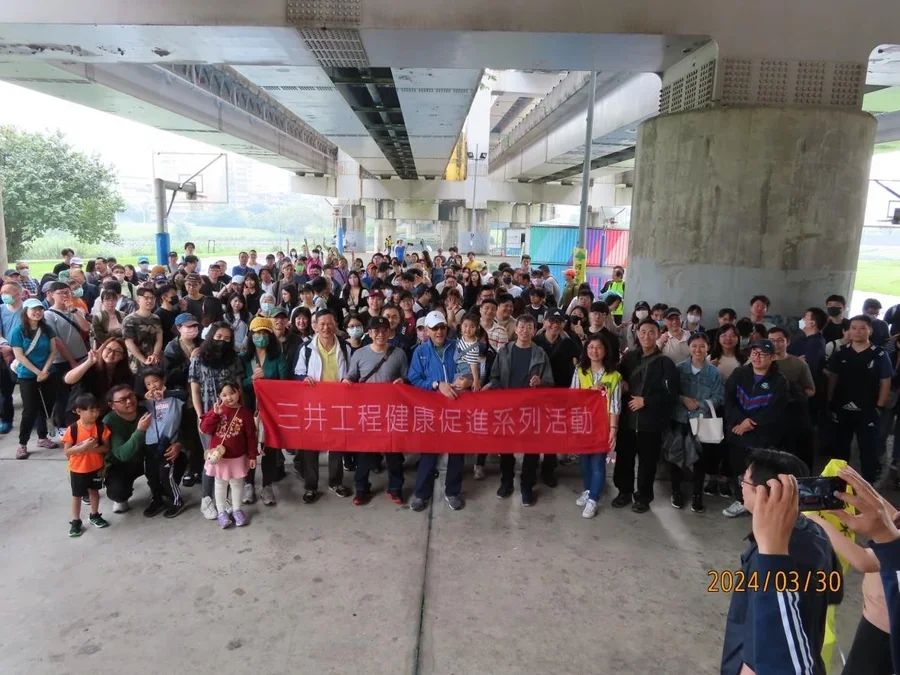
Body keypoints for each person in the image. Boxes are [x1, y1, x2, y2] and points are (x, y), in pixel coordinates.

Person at [720, 448, 842, 675]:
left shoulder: (769, 558)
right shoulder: (816, 533)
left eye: (744, 482)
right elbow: (834, 593)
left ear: (766, 492)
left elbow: (765, 642)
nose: (741, 488)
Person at [612, 318, 678, 513]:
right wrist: (620, 384)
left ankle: (643, 497)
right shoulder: (629, 358)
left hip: (651, 423)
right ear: (637, 335)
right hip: (627, 420)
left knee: (647, 463)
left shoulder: (666, 363)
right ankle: (624, 492)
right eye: (643, 332)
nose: (646, 336)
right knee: (624, 458)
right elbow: (617, 380)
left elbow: (671, 393)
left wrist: (646, 401)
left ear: (658, 335)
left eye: (651, 332)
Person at [488, 314, 554, 506]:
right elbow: (495, 377)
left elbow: (550, 383)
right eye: (521, 327)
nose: (525, 331)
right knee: (506, 449)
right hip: (507, 409)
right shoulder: (505, 352)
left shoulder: (540, 354)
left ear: (535, 331)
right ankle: (506, 482)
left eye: (529, 327)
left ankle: (527, 486)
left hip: (531, 410)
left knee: (531, 450)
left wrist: (541, 383)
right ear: (515, 330)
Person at [407, 311, 469, 511]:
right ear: (427, 331)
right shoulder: (420, 352)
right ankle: (422, 493)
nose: (439, 332)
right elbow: (414, 379)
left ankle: (452, 491)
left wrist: (466, 380)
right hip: (431, 411)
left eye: (442, 327)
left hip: (456, 408)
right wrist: (436, 384)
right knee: (429, 452)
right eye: (434, 328)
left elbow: (469, 371)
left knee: (457, 452)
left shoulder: (458, 347)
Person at [344, 316, 409, 505]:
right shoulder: (360, 354)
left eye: (384, 330)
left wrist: (403, 382)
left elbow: (407, 377)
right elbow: (351, 376)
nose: (380, 334)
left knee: (394, 454)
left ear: (390, 332)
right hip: (368, 414)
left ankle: (396, 488)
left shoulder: (399, 354)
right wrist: (346, 382)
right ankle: (362, 488)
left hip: (392, 413)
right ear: (369, 333)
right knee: (364, 454)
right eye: (376, 330)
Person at [722, 339, 789, 518]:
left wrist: (749, 423)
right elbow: (728, 400)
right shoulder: (740, 373)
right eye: (754, 353)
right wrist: (740, 421)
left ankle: (761, 503)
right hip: (737, 431)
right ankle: (741, 500)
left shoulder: (779, 381)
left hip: (762, 436)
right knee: (738, 468)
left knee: (760, 470)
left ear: (773, 357)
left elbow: (775, 410)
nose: (757, 357)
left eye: (763, 354)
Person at [293, 310, 353, 503]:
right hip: (314, 405)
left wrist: (348, 379)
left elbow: (352, 372)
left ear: (336, 325)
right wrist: (305, 378)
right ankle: (311, 486)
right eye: (322, 324)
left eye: (330, 323)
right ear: (315, 326)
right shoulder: (306, 349)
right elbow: (297, 373)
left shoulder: (345, 347)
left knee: (336, 444)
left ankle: (335, 481)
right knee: (310, 446)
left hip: (337, 405)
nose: (326, 327)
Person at [825, 314, 893, 483]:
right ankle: (838, 481)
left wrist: (880, 406)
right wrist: (829, 401)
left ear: (870, 330)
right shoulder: (841, 353)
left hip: (868, 409)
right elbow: (833, 378)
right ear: (848, 331)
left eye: (863, 328)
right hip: (842, 407)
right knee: (840, 446)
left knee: (868, 447)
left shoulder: (879, 355)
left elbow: (885, 381)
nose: (858, 332)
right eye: (853, 328)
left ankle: (869, 482)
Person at [189, 322, 245, 520]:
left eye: (227, 338)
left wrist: (241, 411)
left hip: (230, 416)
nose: (222, 341)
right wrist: (200, 414)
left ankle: (225, 499)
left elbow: (239, 386)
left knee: (228, 457)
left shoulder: (233, 359)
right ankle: (207, 499)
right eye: (219, 336)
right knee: (211, 458)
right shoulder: (198, 358)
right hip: (208, 416)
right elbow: (194, 388)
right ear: (211, 336)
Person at [666, 333, 724, 513]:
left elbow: (719, 397)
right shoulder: (679, 369)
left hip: (701, 422)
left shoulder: (714, 373)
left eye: (702, 346)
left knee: (700, 460)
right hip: (679, 419)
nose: (698, 350)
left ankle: (697, 494)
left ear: (708, 348)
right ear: (689, 347)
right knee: (675, 457)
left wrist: (699, 404)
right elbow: (670, 393)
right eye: (694, 346)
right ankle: (676, 491)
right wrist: (683, 399)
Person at [570, 333, 621, 518]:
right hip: (583, 424)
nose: (595, 351)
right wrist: (589, 392)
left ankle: (593, 499)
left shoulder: (614, 376)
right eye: (591, 347)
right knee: (584, 462)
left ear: (605, 351)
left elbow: (615, 405)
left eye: (599, 347)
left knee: (598, 463)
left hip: (602, 426)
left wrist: (613, 430)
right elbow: (572, 397)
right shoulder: (580, 371)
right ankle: (588, 489)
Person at [242, 317, 288, 507]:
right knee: (249, 447)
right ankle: (248, 484)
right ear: (251, 336)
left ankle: (267, 485)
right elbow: (238, 386)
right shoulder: (243, 358)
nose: (260, 337)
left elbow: (285, 384)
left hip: (270, 411)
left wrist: (267, 385)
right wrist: (251, 380)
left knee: (269, 448)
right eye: (257, 333)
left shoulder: (278, 357)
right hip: (249, 409)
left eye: (264, 333)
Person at [200, 381, 257, 529]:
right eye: (224, 394)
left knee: (237, 484)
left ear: (239, 392)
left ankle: (237, 509)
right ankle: (221, 513)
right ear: (219, 396)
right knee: (220, 484)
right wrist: (214, 414)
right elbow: (204, 428)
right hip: (220, 458)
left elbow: (251, 437)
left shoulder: (246, 414)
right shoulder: (217, 410)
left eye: (232, 393)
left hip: (237, 457)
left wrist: (252, 456)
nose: (229, 397)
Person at [10, 298, 60, 459]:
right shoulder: (17, 331)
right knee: (29, 410)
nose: (37, 312)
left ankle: (42, 437)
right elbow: (19, 356)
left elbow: (53, 351)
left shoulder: (47, 329)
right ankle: (22, 444)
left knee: (46, 407)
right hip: (27, 375)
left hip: (47, 373)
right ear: (26, 311)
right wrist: (38, 372)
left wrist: (44, 371)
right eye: (33, 309)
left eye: (40, 309)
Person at [43, 281, 91, 433]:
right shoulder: (48, 315)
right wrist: (72, 361)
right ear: (51, 295)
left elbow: (86, 327)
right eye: (61, 293)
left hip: (82, 356)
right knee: (63, 394)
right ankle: (62, 425)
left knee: (81, 392)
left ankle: (79, 422)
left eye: (67, 292)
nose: (65, 295)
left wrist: (75, 311)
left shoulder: (76, 310)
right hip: (62, 361)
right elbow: (57, 341)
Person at [63, 393, 112, 537]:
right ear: (79, 411)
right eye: (91, 410)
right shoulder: (73, 429)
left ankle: (95, 514)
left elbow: (106, 448)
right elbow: (67, 451)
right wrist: (83, 448)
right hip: (77, 469)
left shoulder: (101, 427)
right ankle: (76, 520)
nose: (95, 414)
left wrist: (93, 449)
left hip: (96, 467)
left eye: (97, 410)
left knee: (94, 492)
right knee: (77, 496)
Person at [163, 313, 204, 486]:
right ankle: (190, 468)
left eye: (195, 326)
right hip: (185, 397)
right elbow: (170, 376)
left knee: (202, 432)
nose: (193, 329)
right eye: (188, 327)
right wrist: (190, 361)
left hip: (203, 395)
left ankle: (202, 467)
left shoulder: (202, 344)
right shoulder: (171, 348)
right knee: (188, 434)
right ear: (179, 328)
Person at [140, 368, 187, 518]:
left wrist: (165, 394)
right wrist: (144, 397)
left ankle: (177, 500)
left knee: (166, 475)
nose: (152, 386)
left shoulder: (175, 398)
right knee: (152, 475)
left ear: (163, 380)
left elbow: (184, 394)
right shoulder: (147, 402)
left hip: (168, 443)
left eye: (155, 381)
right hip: (150, 443)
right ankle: (157, 499)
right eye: (148, 384)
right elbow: (133, 399)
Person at [770, 327, 816, 471]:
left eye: (780, 340)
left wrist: (794, 395)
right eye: (772, 340)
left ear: (787, 342)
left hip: (793, 416)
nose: (776, 344)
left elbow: (811, 390)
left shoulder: (799, 364)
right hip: (768, 416)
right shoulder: (759, 361)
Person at [0, 281, 24, 434]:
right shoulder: (1, 309)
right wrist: (5, 345)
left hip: (25, 353)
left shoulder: (28, 309)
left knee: (29, 389)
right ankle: (6, 419)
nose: (4, 296)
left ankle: (34, 419)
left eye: (7, 292)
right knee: (4, 389)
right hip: (5, 353)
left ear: (19, 293)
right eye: (2, 293)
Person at [122, 287, 163, 374]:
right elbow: (129, 343)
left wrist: (155, 354)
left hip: (154, 361)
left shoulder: (156, 318)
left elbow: (159, 338)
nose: (150, 301)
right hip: (137, 363)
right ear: (138, 300)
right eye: (146, 298)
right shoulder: (129, 319)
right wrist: (144, 360)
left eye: (152, 298)